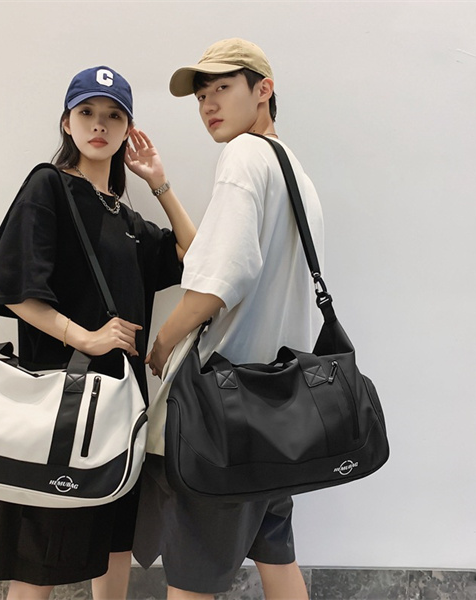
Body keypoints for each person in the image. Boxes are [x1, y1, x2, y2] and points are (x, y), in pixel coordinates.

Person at [0, 65, 195, 600]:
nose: (99, 124)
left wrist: (159, 183)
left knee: (114, 541)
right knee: (39, 553)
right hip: (56, 409)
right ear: (67, 122)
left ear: (127, 131)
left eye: (113, 116)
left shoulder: (126, 218)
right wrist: (86, 337)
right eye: (87, 112)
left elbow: (197, 256)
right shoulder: (48, 186)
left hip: (119, 409)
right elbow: (13, 289)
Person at [133, 39, 324, 600]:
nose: (209, 104)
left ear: (263, 89)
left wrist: (163, 343)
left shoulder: (242, 156)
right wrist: (162, 187)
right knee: (277, 560)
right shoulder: (293, 172)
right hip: (277, 407)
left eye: (222, 87)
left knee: (192, 578)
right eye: (201, 95)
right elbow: (215, 258)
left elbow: (220, 280)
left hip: (222, 409)